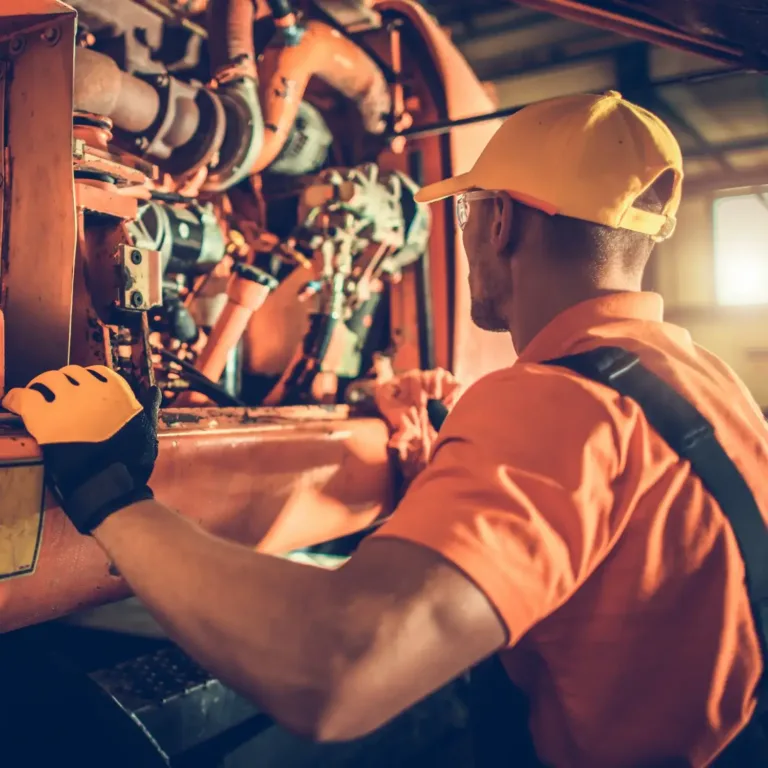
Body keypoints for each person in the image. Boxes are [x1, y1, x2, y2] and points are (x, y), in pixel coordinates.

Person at [5, 91, 768, 767]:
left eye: (467, 210)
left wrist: (109, 489)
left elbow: (336, 670)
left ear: (500, 221)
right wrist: (435, 467)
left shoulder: (556, 402)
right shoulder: (696, 378)